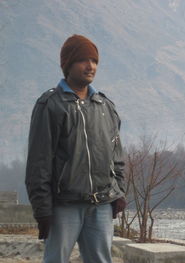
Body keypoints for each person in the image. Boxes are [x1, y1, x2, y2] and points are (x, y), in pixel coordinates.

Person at [25, 34, 126, 263]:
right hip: (64, 206)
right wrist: (43, 210)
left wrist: (118, 192)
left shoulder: (105, 106)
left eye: (94, 61)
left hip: (101, 205)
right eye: (83, 60)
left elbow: (117, 155)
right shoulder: (50, 105)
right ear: (68, 65)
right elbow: (38, 163)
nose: (91, 66)